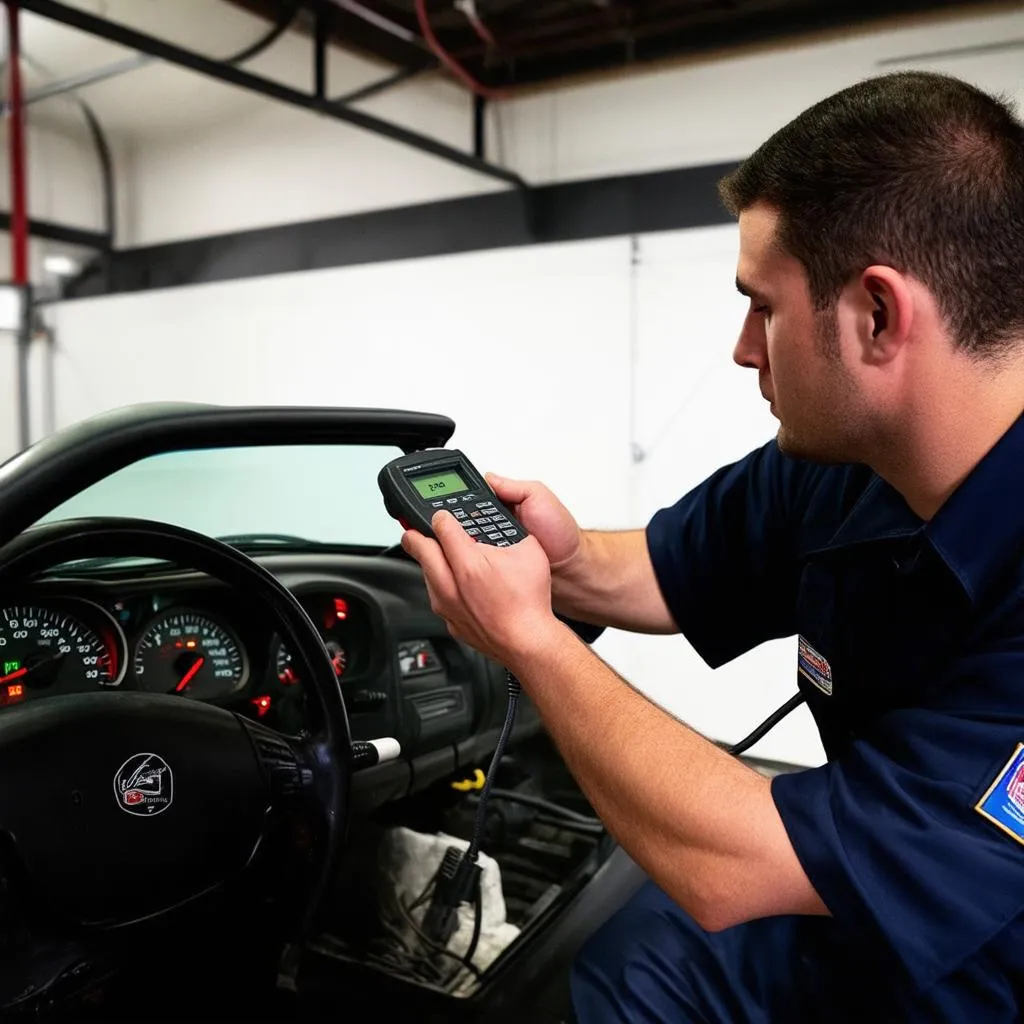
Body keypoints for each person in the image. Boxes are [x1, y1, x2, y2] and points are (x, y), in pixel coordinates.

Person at [400, 70, 1024, 1022]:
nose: (743, 347)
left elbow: (734, 867)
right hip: (850, 884)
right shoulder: (846, 460)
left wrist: (530, 638)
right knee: (618, 976)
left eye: (763, 305)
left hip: (980, 958)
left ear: (878, 316)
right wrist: (559, 561)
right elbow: (665, 567)